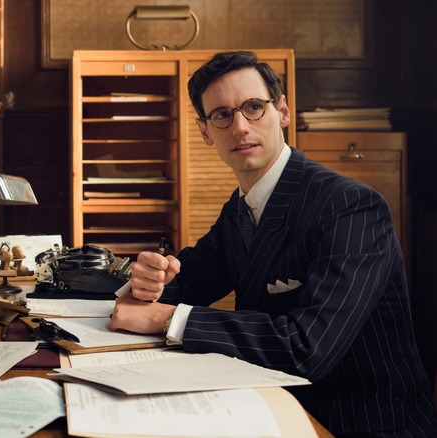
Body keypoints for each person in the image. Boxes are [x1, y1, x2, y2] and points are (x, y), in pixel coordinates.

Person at [109, 51, 437, 436]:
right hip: (275, 407)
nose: (240, 126)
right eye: (222, 115)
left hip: (361, 424)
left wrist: (167, 317)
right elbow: (190, 281)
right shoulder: (242, 205)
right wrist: (149, 282)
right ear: (205, 131)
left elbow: (306, 348)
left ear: (281, 111)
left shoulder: (351, 206)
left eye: (253, 107)